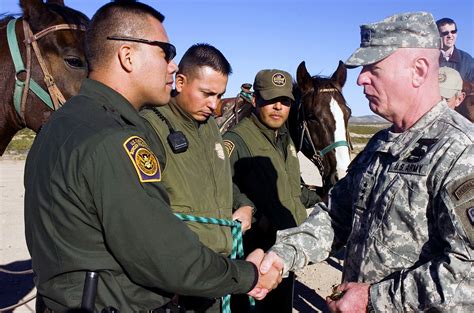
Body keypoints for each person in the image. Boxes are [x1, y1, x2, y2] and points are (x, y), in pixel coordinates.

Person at [24, 2, 281, 312]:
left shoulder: (61, 125)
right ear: (127, 56)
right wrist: (249, 275)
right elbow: (166, 257)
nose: (172, 66)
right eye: (165, 52)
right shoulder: (114, 140)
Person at [260, 12, 474, 312]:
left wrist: (373, 299)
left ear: (419, 69)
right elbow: (336, 216)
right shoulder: (379, 145)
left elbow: (469, 274)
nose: (360, 78)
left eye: (373, 68)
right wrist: (282, 255)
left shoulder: (461, 151)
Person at [139, 43, 256, 312]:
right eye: (207, 94)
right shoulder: (150, 126)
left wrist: (245, 204)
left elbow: (222, 180)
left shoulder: (210, 128)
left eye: (220, 95)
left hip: (213, 273)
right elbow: (140, 208)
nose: (214, 105)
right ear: (180, 81)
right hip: (175, 281)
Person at [222, 69, 322, 313]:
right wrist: (248, 206)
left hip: (284, 246)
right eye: (270, 100)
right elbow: (220, 185)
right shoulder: (236, 140)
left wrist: (326, 194)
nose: (278, 107)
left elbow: (291, 189)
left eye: (285, 101)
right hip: (254, 250)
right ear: (255, 101)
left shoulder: (285, 139)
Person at [436, 17, 474, 82]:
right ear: (437, 35)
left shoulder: (467, 61)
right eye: (445, 33)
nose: (450, 35)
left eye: (453, 32)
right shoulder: (429, 59)